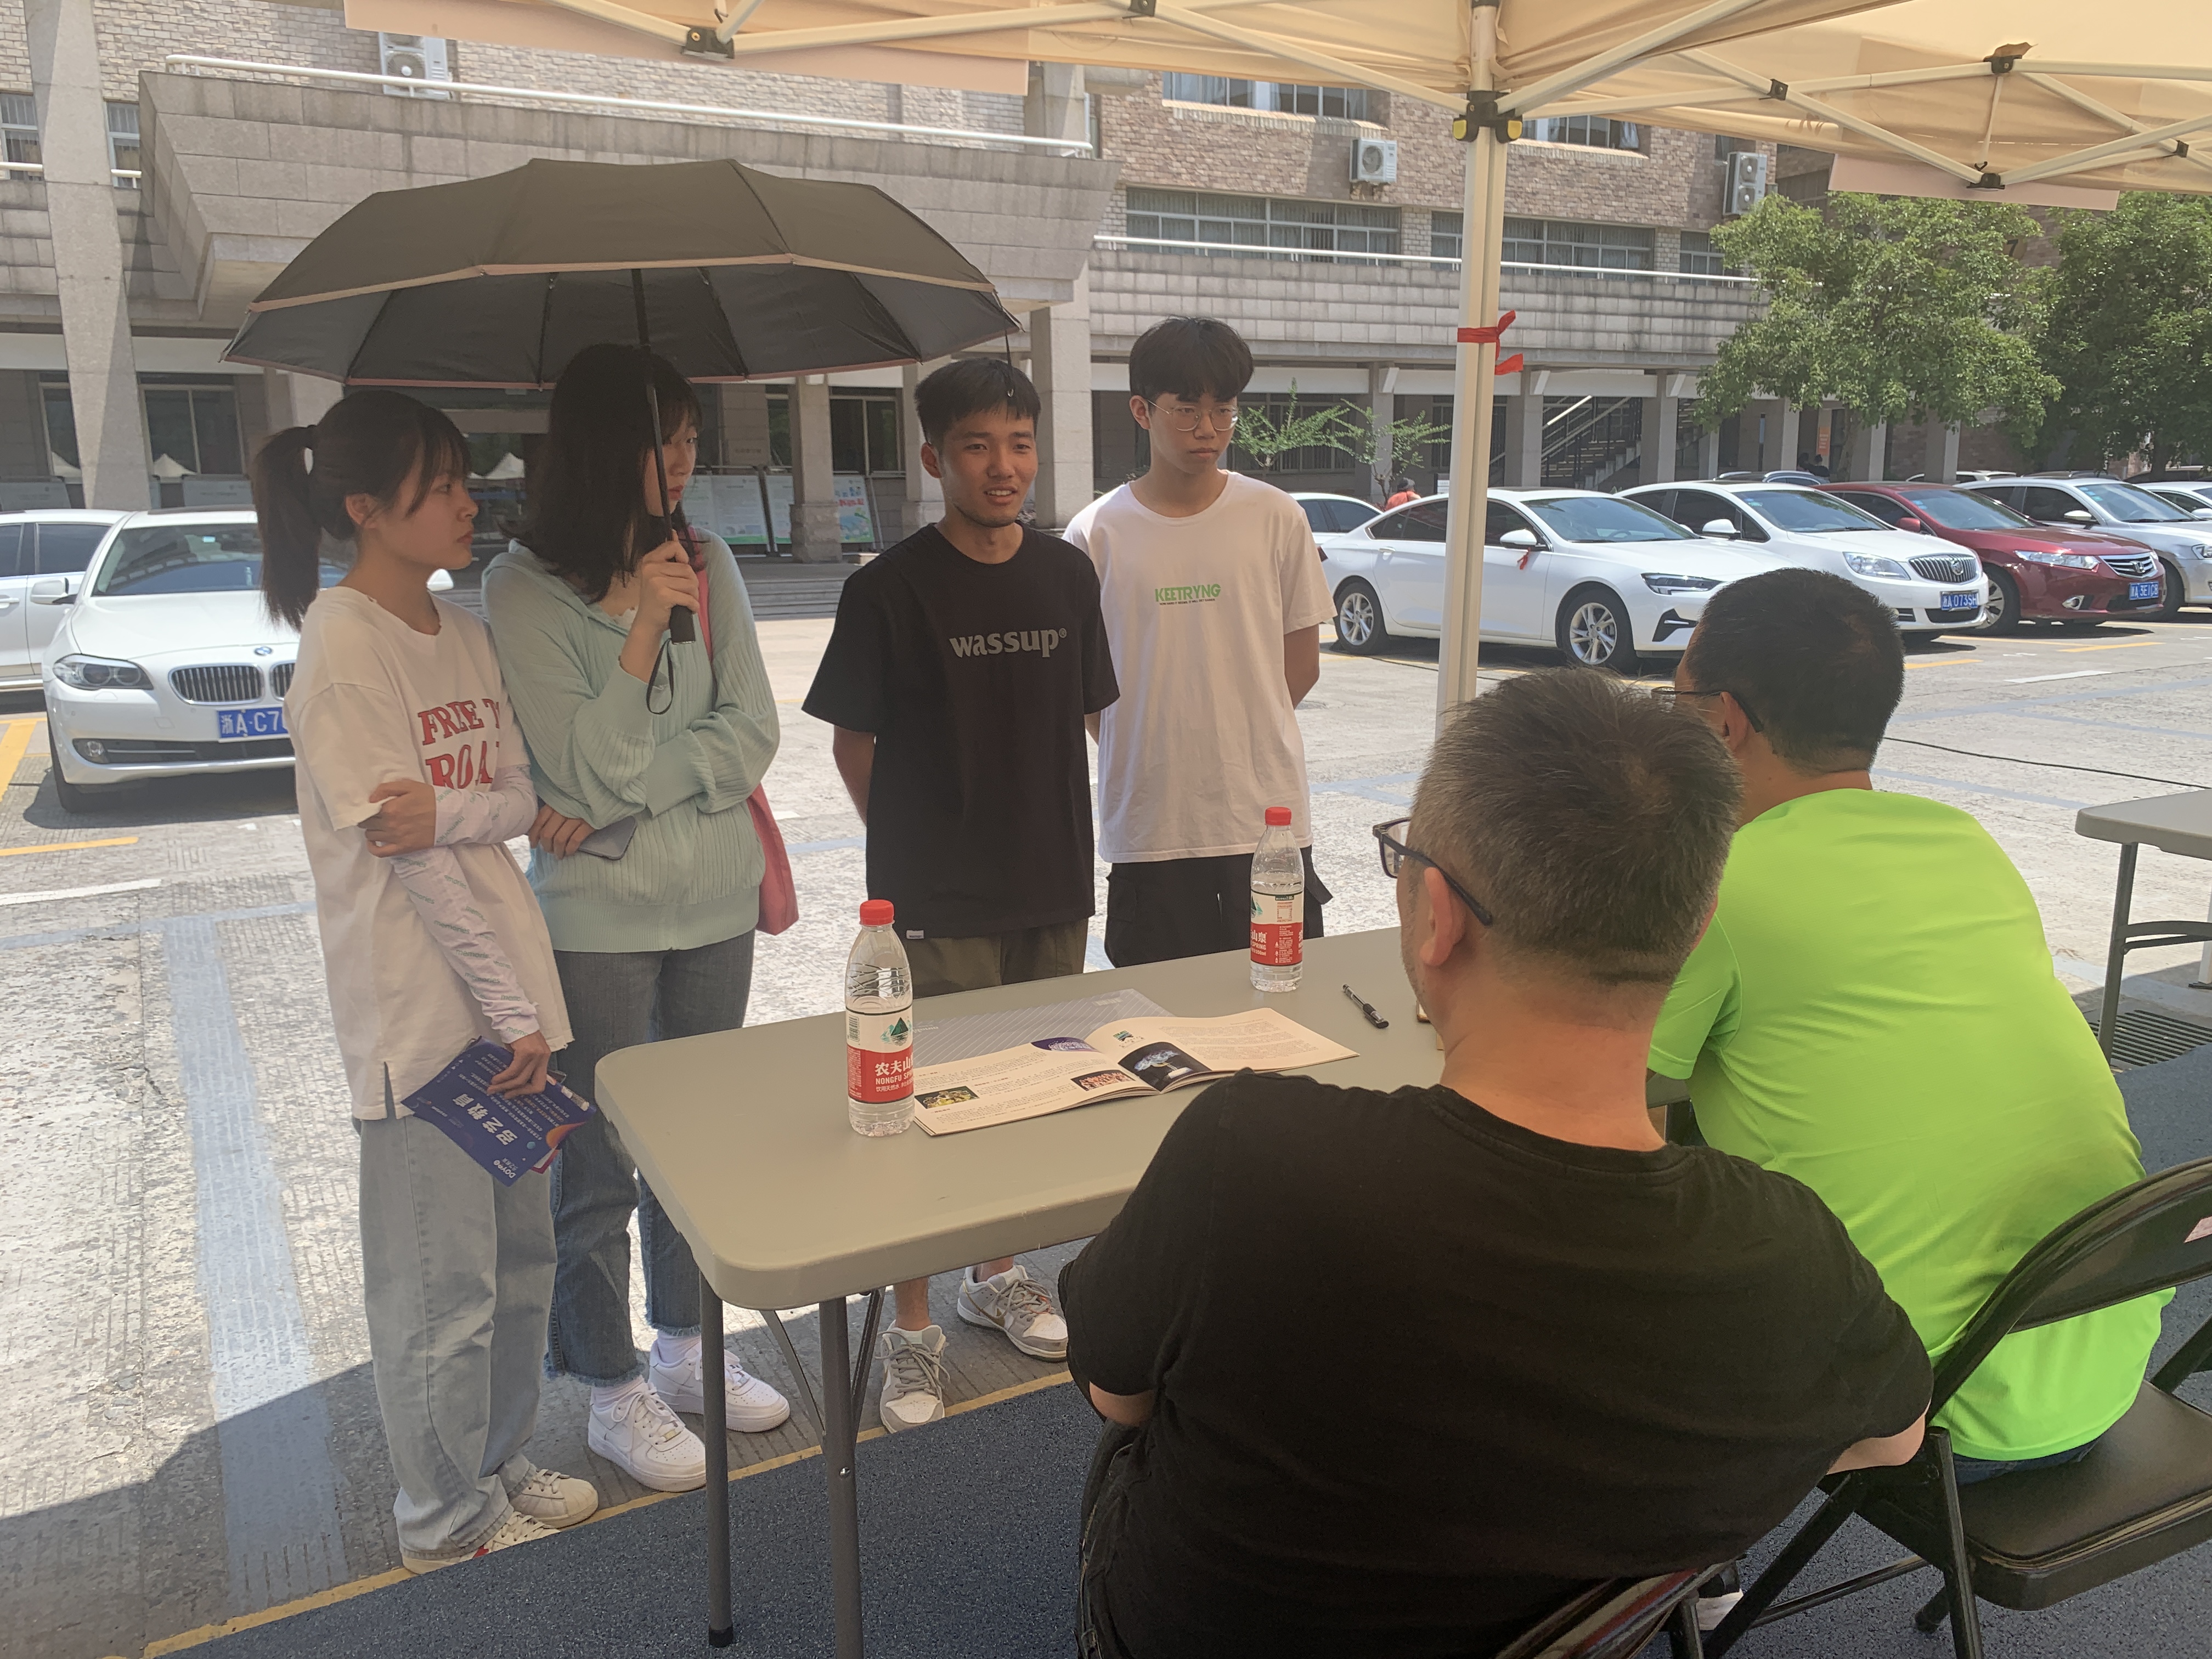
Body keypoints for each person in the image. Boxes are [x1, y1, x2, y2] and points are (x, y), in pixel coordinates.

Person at [1060, 669, 1932, 1659]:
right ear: (1695, 929)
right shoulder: (1786, 1248)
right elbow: (1891, 1438)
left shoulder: (1251, 1157)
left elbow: (1119, 1394)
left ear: (1437, 914)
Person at [1649, 567, 2165, 1482]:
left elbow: (1605, 1083)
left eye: (1676, 698)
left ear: (1724, 721)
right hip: (2101, 1365)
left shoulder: (1720, 886)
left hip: (1922, 1409)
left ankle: (1671, 1535)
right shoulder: (1967, 844)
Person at [257, 390, 599, 1572]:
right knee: (437, 1289)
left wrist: (453, 812)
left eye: (465, 477)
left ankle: (495, 1463)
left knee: (518, 1267)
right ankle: (443, 1518)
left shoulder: (461, 630)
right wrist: (511, 1009)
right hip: (426, 1021)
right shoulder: (343, 649)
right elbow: (406, 862)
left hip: (509, 1005)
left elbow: (515, 798)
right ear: (364, 506)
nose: (469, 500)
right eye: (442, 483)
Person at [483, 346, 789, 1494]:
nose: (684, 461)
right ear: (607, 448)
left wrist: (630, 794)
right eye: (666, 440)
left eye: (692, 438)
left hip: (715, 902)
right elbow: (583, 761)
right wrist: (645, 630)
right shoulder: (522, 586)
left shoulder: (707, 559)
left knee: (696, 1145)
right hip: (595, 924)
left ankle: (687, 1349)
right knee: (601, 1159)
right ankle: (610, 1386)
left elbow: (750, 733)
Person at [804, 358, 1118, 1432]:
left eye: (1019, 444)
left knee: (1029, 1096)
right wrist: (913, 849)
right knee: (921, 1110)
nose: (1003, 466)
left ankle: (997, 1273)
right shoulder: (886, 589)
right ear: (934, 457)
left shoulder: (1068, 575)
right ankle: (912, 1326)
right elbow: (853, 745)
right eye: (978, 446)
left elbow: (1088, 716)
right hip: (934, 901)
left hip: (1052, 888)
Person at [1065, 317, 1335, 967]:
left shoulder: (1276, 517)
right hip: (1151, 826)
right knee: (1161, 1014)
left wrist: (1239, 728)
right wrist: (1149, 740)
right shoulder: (1096, 533)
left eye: (1223, 410)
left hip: (1265, 820)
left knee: (1284, 1001)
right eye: (1186, 410)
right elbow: (1084, 692)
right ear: (1142, 410)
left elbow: (1301, 665)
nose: (1208, 429)